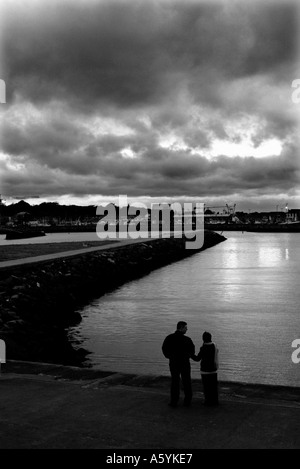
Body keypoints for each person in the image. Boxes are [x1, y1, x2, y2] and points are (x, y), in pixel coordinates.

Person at [162, 321, 195, 407]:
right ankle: (187, 401)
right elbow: (192, 351)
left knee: (175, 382)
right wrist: (187, 355)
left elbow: (164, 348)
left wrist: (169, 356)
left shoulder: (169, 338)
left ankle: (174, 401)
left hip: (174, 363)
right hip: (185, 363)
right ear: (181, 328)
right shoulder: (187, 340)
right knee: (187, 382)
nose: (187, 329)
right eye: (185, 328)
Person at [193, 331, 219, 406]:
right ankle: (215, 401)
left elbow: (198, 359)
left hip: (205, 370)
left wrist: (190, 354)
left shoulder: (203, 348)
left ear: (203, 339)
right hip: (214, 369)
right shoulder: (214, 345)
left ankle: (208, 401)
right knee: (214, 387)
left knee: (206, 387)